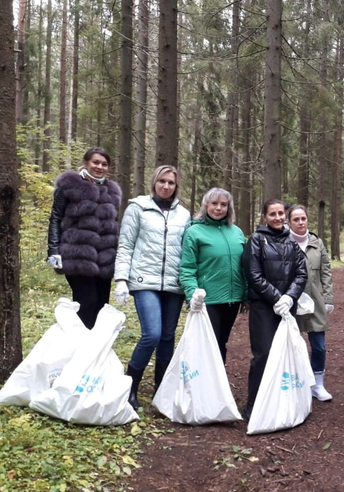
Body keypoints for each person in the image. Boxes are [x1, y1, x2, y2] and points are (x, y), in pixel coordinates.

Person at [113, 166, 191, 410]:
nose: (166, 186)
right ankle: (130, 388)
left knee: (168, 337)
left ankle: (161, 391)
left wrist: (191, 287)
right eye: (162, 181)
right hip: (143, 281)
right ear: (154, 182)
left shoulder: (184, 215)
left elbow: (188, 253)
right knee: (153, 334)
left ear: (176, 186)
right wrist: (121, 280)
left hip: (173, 285)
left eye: (171, 183)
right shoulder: (137, 208)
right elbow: (125, 245)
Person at [241, 199, 308, 419]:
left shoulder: (291, 241)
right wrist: (276, 298)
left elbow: (301, 273)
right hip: (263, 307)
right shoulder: (257, 240)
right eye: (273, 214)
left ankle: (283, 401)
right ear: (264, 217)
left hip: (287, 309)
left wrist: (289, 298)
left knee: (287, 352)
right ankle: (254, 404)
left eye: (281, 213)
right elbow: (254, 275)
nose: (278, 218)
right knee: (264, 354)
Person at [46, 148, 121, 329]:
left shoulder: (111, 191)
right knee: (86, 302)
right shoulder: (69, 186)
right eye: (96, 162)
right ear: (86, 162)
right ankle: (77, 347)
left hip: (104, 258)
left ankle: (95, 351)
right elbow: (55, 218)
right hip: (76, 256)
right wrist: (53, 250)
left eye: (104, 164)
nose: (100, 167)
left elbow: (115, 223)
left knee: (101, 306)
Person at [179, 188, 247, 363]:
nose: (218, 208)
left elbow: (246, 265)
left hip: (233, 299)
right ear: (206, 205)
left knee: (221, 342)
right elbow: (187, 268)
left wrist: (247, 293)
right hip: (208, 299)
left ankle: (219, 386)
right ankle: (202, 386)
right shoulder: (194, 232)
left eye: (223, 204)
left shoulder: (236, 232)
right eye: (214, 203)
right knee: (209, 344)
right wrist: (193, 294)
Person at [288, 205, 335, 402]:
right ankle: (296, 381)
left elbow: (326, 270)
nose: (300, 222)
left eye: (303, 218)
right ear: (289, 222)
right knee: (292, 344)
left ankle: (318, 384)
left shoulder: (317, 242)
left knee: (319, 346)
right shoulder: (284, 242)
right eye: (296, 219)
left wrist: (328, 298)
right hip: (291, 300)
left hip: (315, 300)